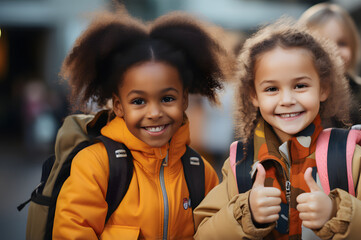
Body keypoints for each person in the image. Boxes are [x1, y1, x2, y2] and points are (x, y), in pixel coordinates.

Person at [193, 17, 361, 239]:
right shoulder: (240, 163)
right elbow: (202, 231)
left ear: (324, 88)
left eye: (300, 85)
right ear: (253, 95)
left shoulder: (348, 156)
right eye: (272, 89)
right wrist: (245, 213)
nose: (287, 99)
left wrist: (337, 212)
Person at [53, 9, 229, 239]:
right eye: (138, 101)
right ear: (118, 105)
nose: (154, 113)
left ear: (184, 98)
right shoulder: (95, 166)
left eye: (167, 98)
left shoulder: (200, 172)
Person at [298, 3, 361, 167]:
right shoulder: (295, 92)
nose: (334, 51)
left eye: (342, 43)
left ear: (354, 47)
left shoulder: (357, 95)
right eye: (324, 43)